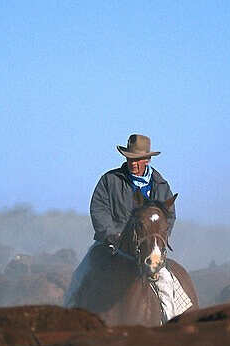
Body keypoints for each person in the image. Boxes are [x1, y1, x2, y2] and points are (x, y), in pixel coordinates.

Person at [65, 134, 192, 320]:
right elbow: (99, 210)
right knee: (78, 278)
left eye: (138, 159)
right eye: (130, 158)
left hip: (148, 248)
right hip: (110, 246)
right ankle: (67, 323)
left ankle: (170, 329)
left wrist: (158, 241)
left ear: (147, 160)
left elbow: (168, 216)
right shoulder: (109, 181)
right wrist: (110, 234)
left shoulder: (160, 185)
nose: (133, 163)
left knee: (166, 285)